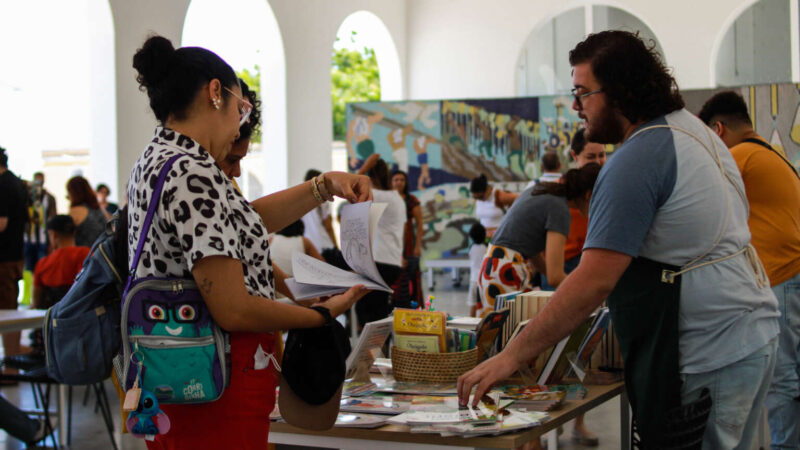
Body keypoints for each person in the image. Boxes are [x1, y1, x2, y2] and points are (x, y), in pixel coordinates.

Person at [459, 31, 780, 449]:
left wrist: (511, 355)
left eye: (582, 93)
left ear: (620, 91)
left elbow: (594, 280)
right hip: (749, 336)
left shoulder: (638, 158)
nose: (575, 106)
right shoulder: (694, 132)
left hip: (710, 350)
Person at [130, 35, 371, 449]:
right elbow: (234, 309)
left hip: (185, 373)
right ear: (214, 93)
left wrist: (324, 186)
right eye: (241, 108)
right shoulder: (192, 170)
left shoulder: (162, 156)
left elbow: (240, 223)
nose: (241, 123)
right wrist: (320, 316)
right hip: (216, 383)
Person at [699, 90, 800, 449]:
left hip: (782, 278)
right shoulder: (770, 155)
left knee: (783, 380)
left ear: (719, 129)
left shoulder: (738, 156)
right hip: (790, 276)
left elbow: (700, 204)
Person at [477, 164, 600, 310]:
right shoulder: (560, 209)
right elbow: (555, 277)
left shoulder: (543, 190)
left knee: (497, 331)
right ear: (588, 195)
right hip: (507, 270)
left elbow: (534, 252)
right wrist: (588, 294)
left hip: (492, 266)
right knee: (513, 332)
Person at [357, 154, 406, 321]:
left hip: (381, 262)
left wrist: (364, 166)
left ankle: (376, 346)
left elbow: (354, 186)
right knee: (377, 310)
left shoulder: (381, 196)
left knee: (369, 313)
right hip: (391, 262)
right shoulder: (396, 198)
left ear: (371, 178)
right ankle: (380, 346)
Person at [0, 146, 28, 372]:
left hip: (4, 258)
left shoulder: (3, 185)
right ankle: (11, 364)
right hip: (15, 255)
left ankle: (10, 368)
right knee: (11, 310)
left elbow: (1, 223)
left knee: (6, 313)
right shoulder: (17, 183)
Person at [301, 169, 347, 269]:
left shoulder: (300, 202)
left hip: (309, 247)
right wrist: (336, 247)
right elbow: (328, 227)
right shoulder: (322, 200)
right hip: (324, 245)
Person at [391, 170, 424, 307]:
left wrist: (417, 246)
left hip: (409, 247)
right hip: (392, 246)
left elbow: (420, 223)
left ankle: (415, 307)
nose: (399, 182)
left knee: (412, 278)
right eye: (396, 180)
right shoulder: (388, 200)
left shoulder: (411, 201)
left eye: (402, 180)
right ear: (391, 182)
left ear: (406, 183)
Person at [469, 174, 518, 238]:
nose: (480, 200)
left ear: (486, 190)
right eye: (477, 198)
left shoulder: (499, 196)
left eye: (481, 197)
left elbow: (521, 199)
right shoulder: (478, 199)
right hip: (484, 238)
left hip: (500, 236)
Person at [66, 176, 106, 247]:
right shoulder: (97, 208)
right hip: (101, 252)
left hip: (84, 254)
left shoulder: (76, 211)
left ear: (73, 193)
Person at [467, 223, 487, 317]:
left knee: (472, 304)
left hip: (473, 280)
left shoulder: (471, 248)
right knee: (483, 305)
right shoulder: (486, 248)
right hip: (483, 280)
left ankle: (471, 325)